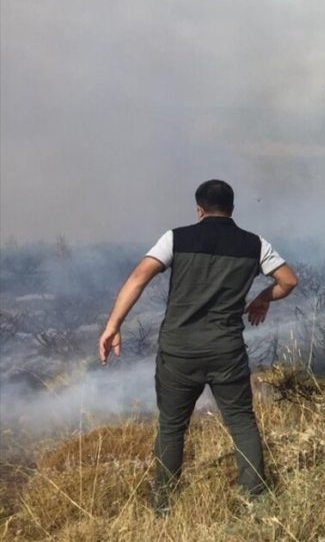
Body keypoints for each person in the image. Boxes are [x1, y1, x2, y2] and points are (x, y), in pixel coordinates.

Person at [97, 179, 298, 513]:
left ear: (199, 210)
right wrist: (264, 297)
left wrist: (113, 325)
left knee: (173, 427)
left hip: (178, 352)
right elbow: (289, 280)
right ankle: (256, 501)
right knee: (241, 421)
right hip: (227, 351)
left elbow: (138, 278)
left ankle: (163, 504)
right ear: (232, 209)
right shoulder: (255, 244)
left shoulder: (176, 238)